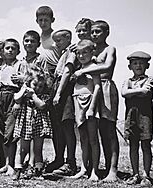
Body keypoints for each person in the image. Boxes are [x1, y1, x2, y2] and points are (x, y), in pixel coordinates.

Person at [71, 20, 119, 182]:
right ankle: (93, 168)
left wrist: (83, 70)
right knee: (89, 132)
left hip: (105, 88)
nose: (95, 35)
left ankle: (112, 169)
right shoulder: (87, 49)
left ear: (107, 32)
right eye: (92, 32)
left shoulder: (109, 49)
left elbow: (106, 66)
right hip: (89, 90)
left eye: (98, 31)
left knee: (109, 130)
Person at [121, 51, 153, 186]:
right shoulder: (127, 81)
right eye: (135, 63)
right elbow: (124, 93)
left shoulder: (149, 80)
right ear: (130, 67)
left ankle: (146, 175)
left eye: (141, 63)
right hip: (131, 117)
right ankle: (135, 174)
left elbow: (146, 91)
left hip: (144, 117)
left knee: (145, 145)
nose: (138, 66)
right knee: (133, 146)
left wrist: (131, 92)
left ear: (147, 65)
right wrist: (137, 91)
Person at [13, 67, 53, 179]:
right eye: (35, 85)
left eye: (41, 86)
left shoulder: (43, 96)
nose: (38, 88)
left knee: (37, 149)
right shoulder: (24, 94)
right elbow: (16, 98)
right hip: (25, 124)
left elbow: (42, 105)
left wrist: (34, 95)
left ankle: (38, 171)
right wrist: (24, 89)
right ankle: (18, 170)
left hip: (39, 125)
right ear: (29, 83)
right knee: (23, 148)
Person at [49, 29, 78, 176]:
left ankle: (70, 162)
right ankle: (58, 158)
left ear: (68, 38)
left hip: (65, 90)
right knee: (57, 127)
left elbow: (67, 72)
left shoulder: (71, 52)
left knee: (67, 125)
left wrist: (59, 93)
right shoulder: (62, 53)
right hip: (57, 86)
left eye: (59, 40)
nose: (56, 44)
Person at [0, 38, 20, 176]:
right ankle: (6, 163)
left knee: (10, 132)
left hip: (13, 97)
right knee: (1, 131)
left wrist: (18, 101)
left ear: (18, 51)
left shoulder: (20, 64)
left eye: (13, 48)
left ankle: (11, 165)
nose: (10, 51)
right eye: (7, 48)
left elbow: (24, 84)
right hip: (0, 97)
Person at [72, 39, 101, 181]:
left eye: (85, 52)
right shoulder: (78, 69)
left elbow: (97, 87)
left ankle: (94, 171)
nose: (81, 56)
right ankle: (84, 168)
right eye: (79, 53)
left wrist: (92, 108)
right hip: (77, 102)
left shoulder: (93, 67)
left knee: (93, 139)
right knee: (83, 138)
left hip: (89, 103)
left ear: (92, 52)